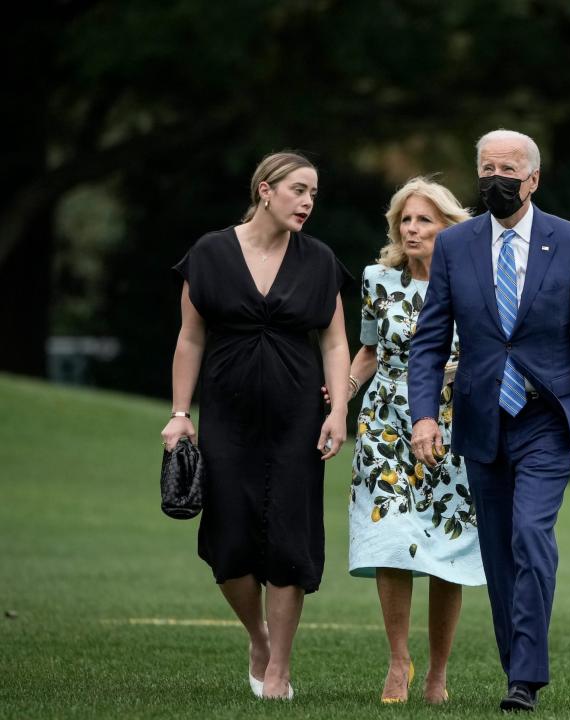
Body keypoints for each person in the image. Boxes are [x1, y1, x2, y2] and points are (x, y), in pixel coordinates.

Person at [408, 129, 570, 712]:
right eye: (486, 167)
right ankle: (515, 669)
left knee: (531, 534)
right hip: (480, 418)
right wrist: (424, 414)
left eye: (507, 169)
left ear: (532, 180)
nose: (494, 178)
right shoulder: (456, 246)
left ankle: (526, 678)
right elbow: (429, 342)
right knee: (500, 552)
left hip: (547, 418)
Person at [160, 151, 351, 700]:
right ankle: (257, 637)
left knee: (290, 540)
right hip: (227, 417)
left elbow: (335, 342)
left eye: (313, 192)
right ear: (265, 191)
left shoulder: (319, 261)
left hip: (298, 419)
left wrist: (338, 410)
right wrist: (180, 414)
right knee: (229, 541)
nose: (308, 201)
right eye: (298, 189)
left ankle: (279, 671)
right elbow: (190, 338)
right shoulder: (210, 253)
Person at [345, 177, 484, 705]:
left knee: (447, 544)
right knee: (391, 538)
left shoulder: (474, 283)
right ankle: (399, 660)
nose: (411, 229)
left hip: (451, 422)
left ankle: (438, 673)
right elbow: (368, 350)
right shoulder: (378, 279)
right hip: (384, 421)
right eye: (404, 220)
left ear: (447, 228)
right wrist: (343, 395)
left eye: (423, 219)